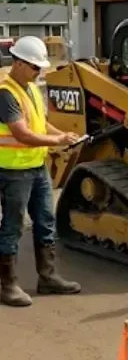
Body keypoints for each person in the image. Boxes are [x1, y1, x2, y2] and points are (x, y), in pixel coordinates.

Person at [0, 36, 82, 306]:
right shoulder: (6, 92)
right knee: (12, 227)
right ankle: (7, 285)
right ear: (20, 63)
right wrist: (57, 142)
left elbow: (40, 124)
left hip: (37, 167)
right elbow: (22, 134)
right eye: (36, 67)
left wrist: (65, 136)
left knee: (46, 221)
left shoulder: (31, 88)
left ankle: (48, 277)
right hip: (13, 171)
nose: (40, 72)